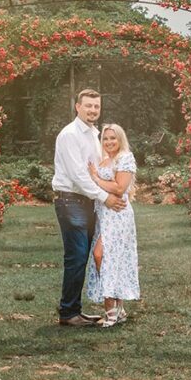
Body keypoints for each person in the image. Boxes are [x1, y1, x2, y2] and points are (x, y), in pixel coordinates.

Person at [52, 89, 126, 327]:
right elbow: (79, 177)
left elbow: (96, 171)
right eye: (89, 106)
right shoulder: (69, 135)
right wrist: (106, 197)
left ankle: (74, 310)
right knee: (76, 256)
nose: (93, 110)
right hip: (71, 200)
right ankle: (68, 313)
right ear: (77, 107)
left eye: (96, 106)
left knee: (85, 255)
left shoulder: (94, 134)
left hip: (87, 202)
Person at [85, 123, 140, 328]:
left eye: (113, 138)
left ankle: (111, 310)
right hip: (103, 216)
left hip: (118, 215)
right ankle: (119, 308)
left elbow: (119, 187)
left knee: (103, 255)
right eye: (106, 138)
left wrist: (96, 178)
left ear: (120, 139)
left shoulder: (125, 158)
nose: (109, 142)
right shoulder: (103, 159)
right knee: (110, 257)